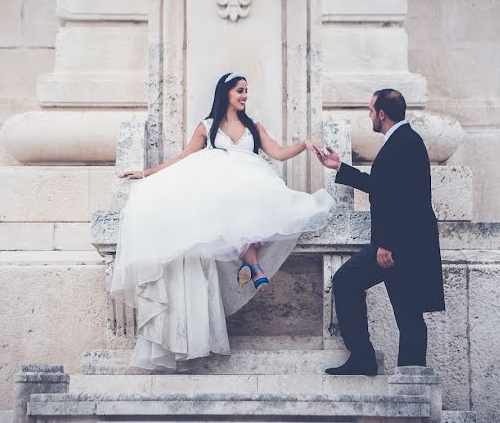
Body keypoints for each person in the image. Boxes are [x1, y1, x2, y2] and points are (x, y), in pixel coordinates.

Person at [111, 72, 335, 370]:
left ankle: (251, 257)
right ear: (226, 93)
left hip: (250, 186)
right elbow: (184, 157)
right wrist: (147, 173)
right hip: (218, 191)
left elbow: (278, 154)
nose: (244, 96)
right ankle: (252, 262)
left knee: (256, 202)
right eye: (239, 91)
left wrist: (305, 144)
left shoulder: (253, 127)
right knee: (226, 202)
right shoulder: (207, 126)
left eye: (246, 91)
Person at [313, 88, 445, 376]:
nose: (370, 115)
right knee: (355, 286)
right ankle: (368, 359)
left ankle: (409, 376)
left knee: (405, 313)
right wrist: (340, 167)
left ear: (382, 114)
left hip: (399, 247)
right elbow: (383, 186)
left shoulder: (405, 142)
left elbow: (404, 199)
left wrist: (386, 243)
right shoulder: (401, 140)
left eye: (371, 111)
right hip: (398, 244)